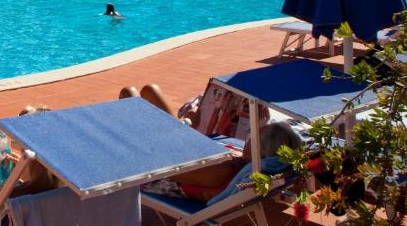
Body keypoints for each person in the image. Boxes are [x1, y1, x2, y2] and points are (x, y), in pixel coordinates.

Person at [118, 85, 301, 202]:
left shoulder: (223, 172)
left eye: (253, 135)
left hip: (162, 165)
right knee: (151, 90)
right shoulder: (243, 165)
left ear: (260, 149)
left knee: (129, 95)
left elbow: (169, 169)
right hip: (183, 153)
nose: (249, 137)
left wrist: (155, 133)